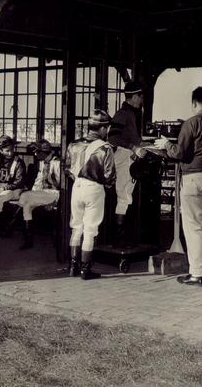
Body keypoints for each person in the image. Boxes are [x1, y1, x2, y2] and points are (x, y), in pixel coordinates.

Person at [154, 87, 202, 286]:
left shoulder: (191, 123)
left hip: (195, 179)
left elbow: (182, 154)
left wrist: (165, 145)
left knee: (195, 227)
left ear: (194, 103)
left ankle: (197, 273)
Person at [65, 109, 116, 280]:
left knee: (76, 226)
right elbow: (109, 175)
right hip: (94, 188)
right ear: (103, 129)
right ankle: (85, 270)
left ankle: (73, 266)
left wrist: (78, 178)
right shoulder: (105, 148)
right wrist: (107, 185)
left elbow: (67, 169)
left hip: (76, 186)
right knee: (90, 229)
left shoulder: (73, 144)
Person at [107, 81, 147, 247]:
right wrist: (133, 147)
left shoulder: (132, 113)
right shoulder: (123, 114)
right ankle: (119, 237)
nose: (142, 99)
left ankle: (124, 235)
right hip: (123, 158)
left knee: (126, 197)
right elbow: (113, 138)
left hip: (130, 157)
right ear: (135, 96)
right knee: (123, 197)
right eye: (140, 96)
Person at [16, 139, 61, 250]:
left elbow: (61, 186)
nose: (35, 154)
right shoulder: (43, 162)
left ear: (43, 152)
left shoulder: (57, 162)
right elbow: (38, 180)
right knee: (27, 206)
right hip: (43, 194)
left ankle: (11, 223)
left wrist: (56, 202)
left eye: (37, 152)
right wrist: (32, 191)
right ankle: (28, 241)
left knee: (24, 196)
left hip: (54, 194)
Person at [0, 135, 26, 235]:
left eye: (12, 149)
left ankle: (0, 228)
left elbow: (19, 182)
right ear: (1, 151)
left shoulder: (19, 162)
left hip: (15, 189)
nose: (10, 153)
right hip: (0, 187)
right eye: (7, 150)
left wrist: (4, 188)